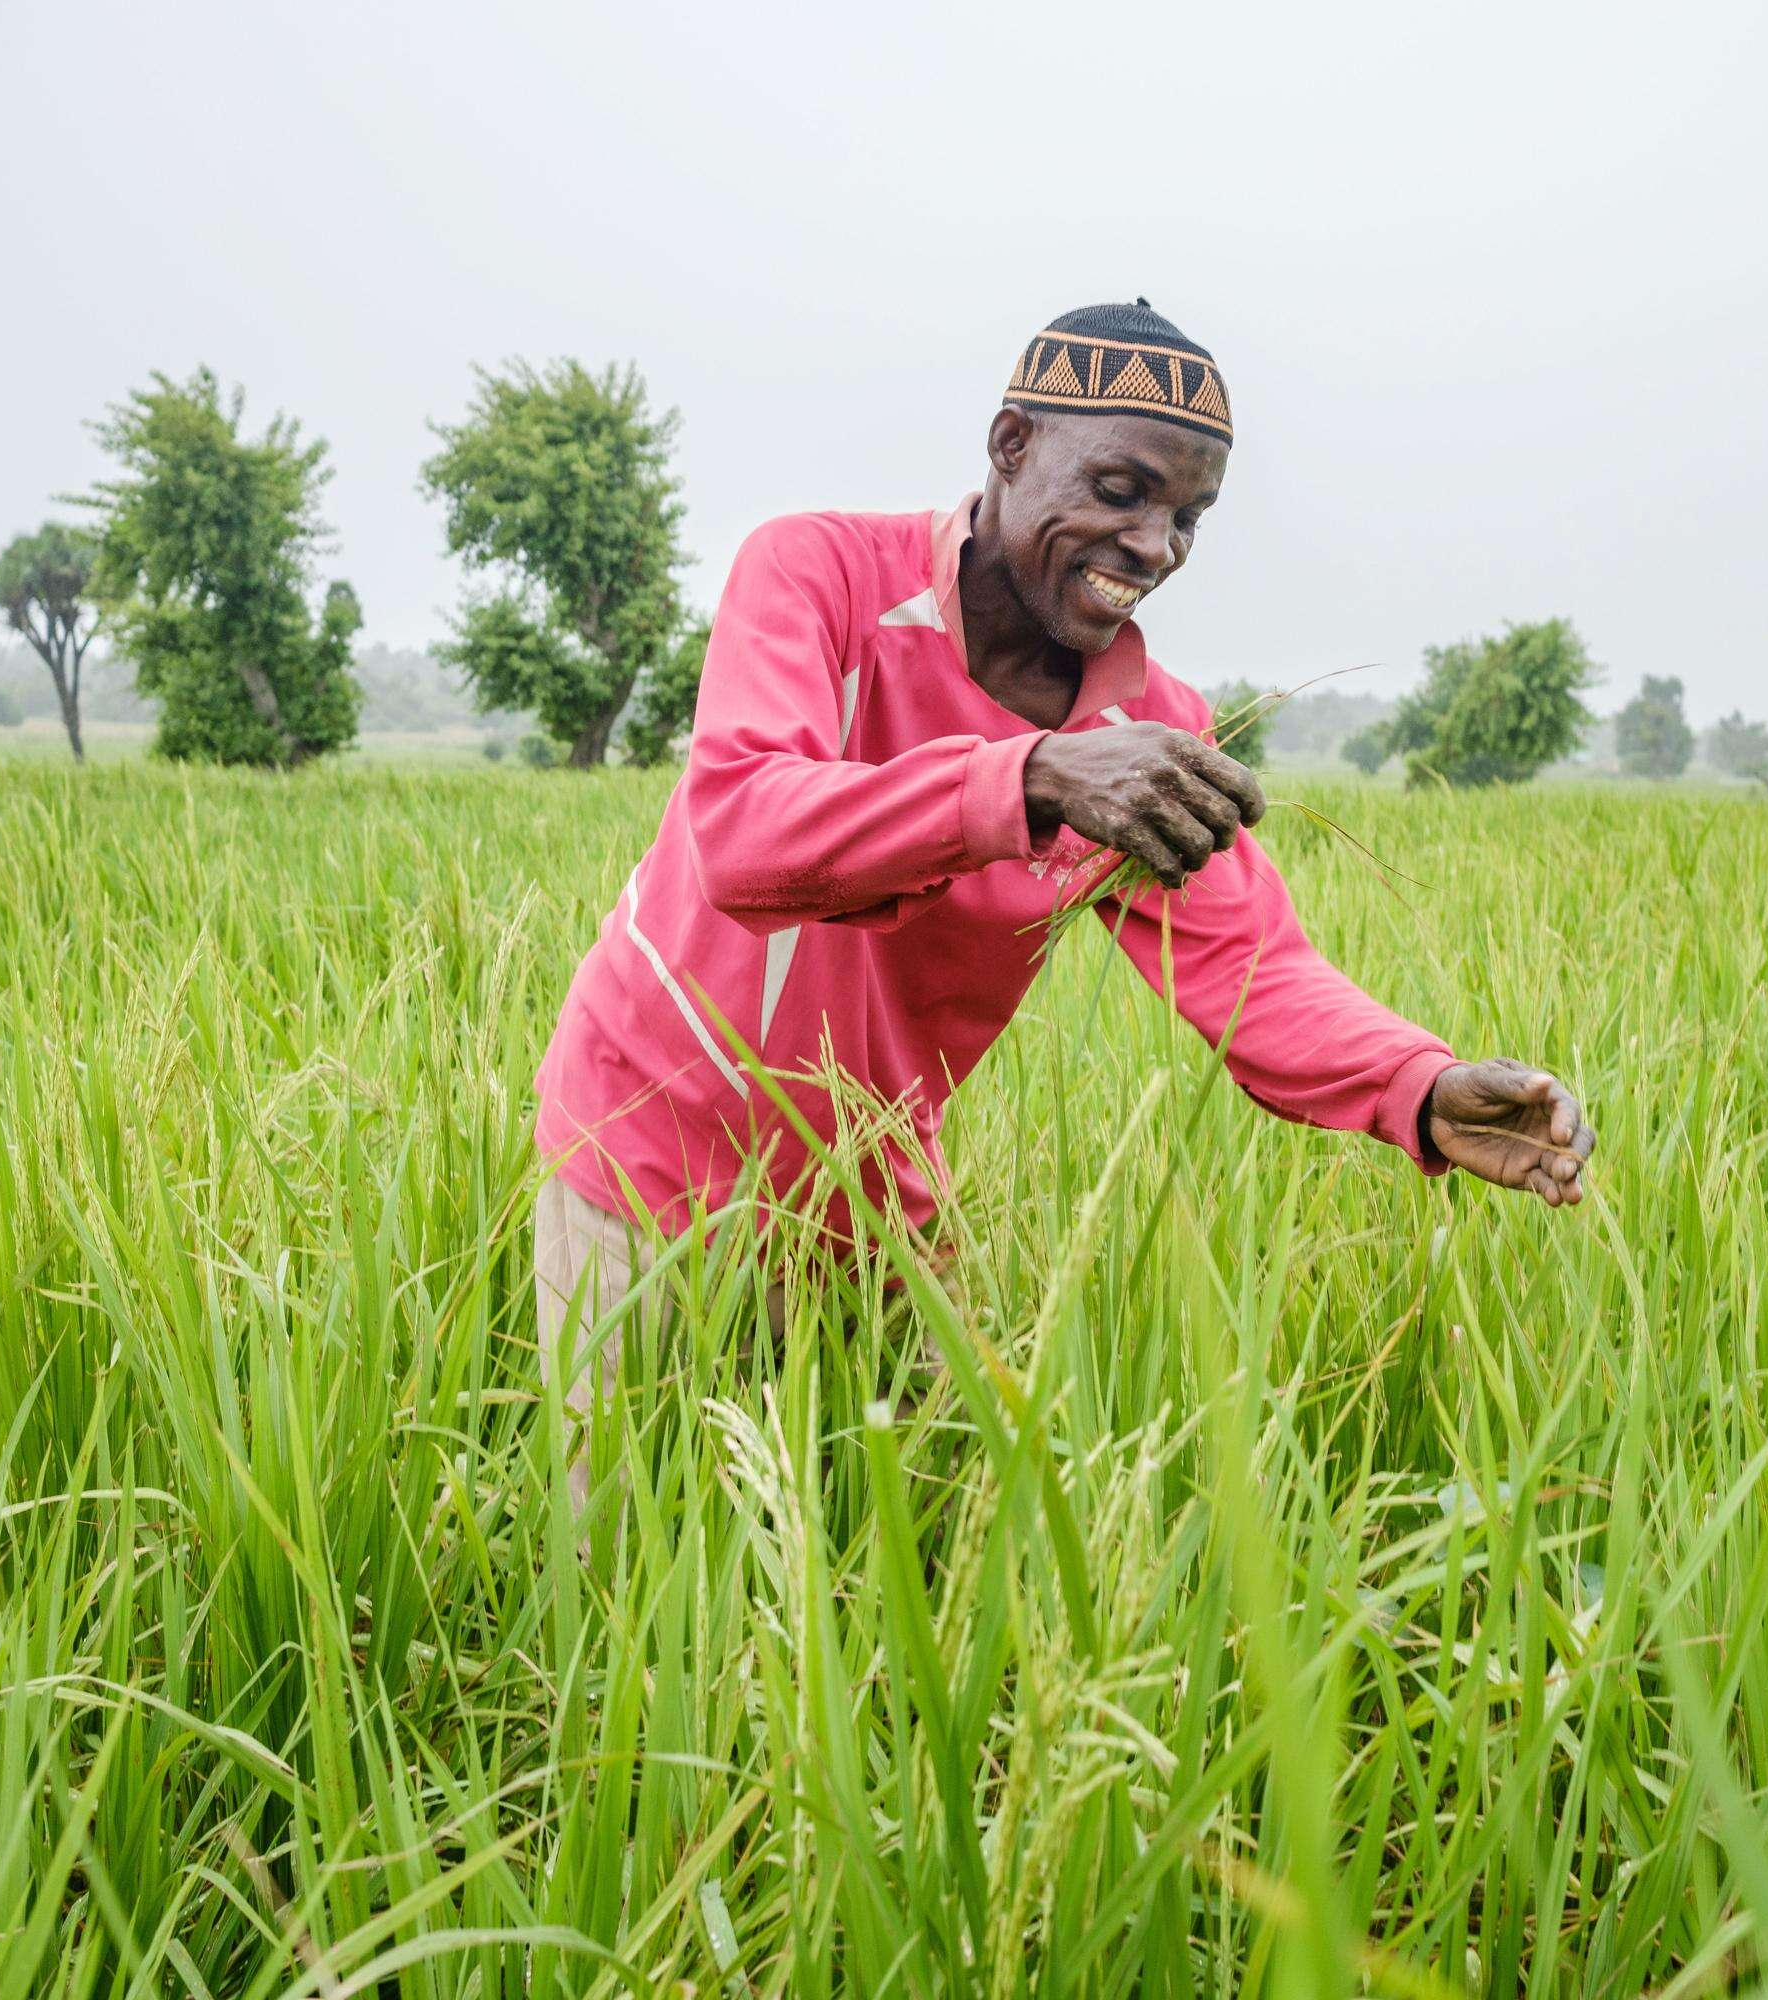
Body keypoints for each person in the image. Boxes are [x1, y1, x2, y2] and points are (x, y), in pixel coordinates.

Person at [530, 300, 1596, 1453]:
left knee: (919, 1549)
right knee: (622, 1559)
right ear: (1009, 448)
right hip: (639, 1154)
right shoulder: (819, 574)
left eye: (1190, 516)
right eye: (1123, 491)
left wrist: (1420, 1087)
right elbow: (743, 833)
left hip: (870, 1200)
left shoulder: (1150, 732)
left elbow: (1252, 971)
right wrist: (1031, 778)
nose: (1155, 545)